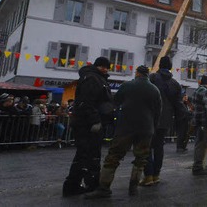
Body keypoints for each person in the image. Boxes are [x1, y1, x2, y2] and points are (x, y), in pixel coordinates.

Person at [85, 66, 161, 199]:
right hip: (146, 128)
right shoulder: (155, 90)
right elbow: (158, 112)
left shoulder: (127, 85)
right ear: (147, 75)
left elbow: (115, 102)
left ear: (137, 73)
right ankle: (133, 187)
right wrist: (153, 127)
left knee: (114, 156)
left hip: (126, 126)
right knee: (141, 158)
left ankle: (104, 187)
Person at [62, 57, 112, 197]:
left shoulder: (93, 77)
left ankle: (75, 184)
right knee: (88, 155)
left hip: (87, 122)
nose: (106, 69)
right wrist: (95, 120)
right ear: (100, 67)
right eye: (104, 67)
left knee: (86, 155)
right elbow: (86, 102)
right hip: (87, 124)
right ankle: (87, 184)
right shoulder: (92, 79)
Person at [141, 56, 185, 186]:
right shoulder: (175, 84)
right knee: (159, 147)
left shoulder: (153, 78)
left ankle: (148, 175)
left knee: (147, 147)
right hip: (166, 119)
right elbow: (178, 104)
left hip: (150, 117)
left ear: (159, 65)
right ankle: (156, 175)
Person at [191, 75, 207, 175]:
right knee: (202, 144)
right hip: (204, 122)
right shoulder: (205, 92)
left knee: (198, 143)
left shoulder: (196, 91)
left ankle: (197, 165)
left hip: (197, 121)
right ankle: (198, 167)